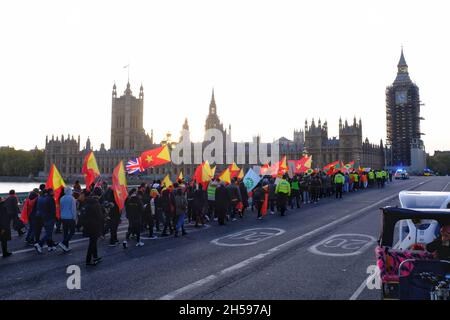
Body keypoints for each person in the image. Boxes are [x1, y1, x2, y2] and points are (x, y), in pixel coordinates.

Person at [83, 188, 104, 266]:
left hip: (88, 225)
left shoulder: (88, 202)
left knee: (93, 242)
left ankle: (95, 256)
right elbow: (100, 216)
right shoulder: (96, 204)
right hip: (94, 226)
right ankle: (88, 260)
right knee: (92, 243)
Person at [34, 188, 57, 253]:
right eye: (53, 191)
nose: (54, 192)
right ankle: (39, 244)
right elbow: (53, 210)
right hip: (49, 218)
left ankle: (50, 246)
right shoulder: (50, 199)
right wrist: (55, 218)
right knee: (49, 233)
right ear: (50, 192)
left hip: (42, 217)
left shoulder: (40, 198)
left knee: (48, 232)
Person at [58, 187, 77, 252]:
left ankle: (66, 246)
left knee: (65, 232)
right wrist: (75, 217)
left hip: (63, 217)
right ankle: (63, 243)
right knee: (72, 231)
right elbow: (73, 209)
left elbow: (60, 208)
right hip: (70, 217)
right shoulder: (72, 198)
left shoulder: (62, 198)